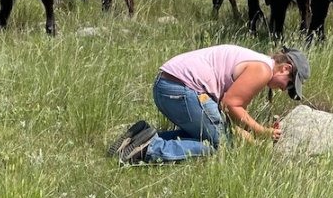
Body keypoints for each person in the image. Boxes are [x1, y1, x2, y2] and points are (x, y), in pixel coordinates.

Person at [109, 44, 310, 164]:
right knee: (221, 145)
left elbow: (227, 117)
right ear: (285, 68)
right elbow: (231, 105)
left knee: (208, 135)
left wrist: (250, 139)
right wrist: (262, 132)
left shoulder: (255, 60)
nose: (284, 90)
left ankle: (140, 137)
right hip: (180, 90)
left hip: (166, 86)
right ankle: (150, 149)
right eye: (289, 84)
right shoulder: (263, 69)